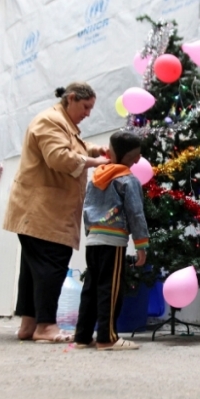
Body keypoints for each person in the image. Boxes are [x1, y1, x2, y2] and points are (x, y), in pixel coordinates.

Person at [3, 83, 109, 343]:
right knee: (51, 267)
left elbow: (76, 146)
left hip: (42, 211)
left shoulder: (62, 123)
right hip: (42, 211)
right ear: (71, 99)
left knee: (33, 271)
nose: (88, 113)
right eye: (85, 107)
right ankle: (46, 326)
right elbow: (59, 157)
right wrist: (95, 163)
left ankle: (29, 325)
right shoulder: (50, 121)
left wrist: (96, 150)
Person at [74, 131, 149, 351]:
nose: (138, 160)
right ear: (130, 157)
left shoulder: (96, 177)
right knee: (111, 288)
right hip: (113, 241)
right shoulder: (128, 179)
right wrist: (142, 244)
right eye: (137, 155)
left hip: (94, 240)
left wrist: (91, 233)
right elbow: (135, 213)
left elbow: (87, 207)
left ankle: (82, 336)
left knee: (91, 288)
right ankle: (107, 338)